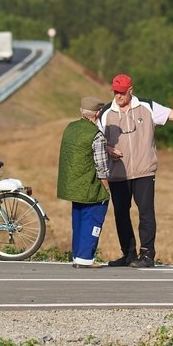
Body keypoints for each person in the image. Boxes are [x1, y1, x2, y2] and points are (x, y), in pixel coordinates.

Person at [97, 74, 173, 268]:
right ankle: (128, 254)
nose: (118, 96)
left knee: (146, 212)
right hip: (118, 174)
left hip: (144, 171)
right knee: (121, 214)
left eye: (121, 92)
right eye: (115, 92)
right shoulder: (105, 113)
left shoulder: (147, 107)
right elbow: (97, 141)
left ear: (130, 90)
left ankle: (147, 254)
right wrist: (109, 150)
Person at [56, 96, 112, 268]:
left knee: (78, 220)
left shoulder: (70, 128)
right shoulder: (96, 135)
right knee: (93, 219)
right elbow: (101, 166)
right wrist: (106, 188)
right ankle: (86, 258)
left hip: (72, 185)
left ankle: (77, 256)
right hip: (90, 185)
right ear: (98, 113)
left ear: (82, 111)